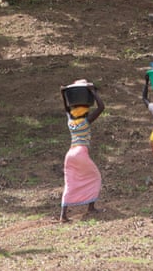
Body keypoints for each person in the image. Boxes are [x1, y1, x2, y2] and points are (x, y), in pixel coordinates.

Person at [60, 82, 105, 222]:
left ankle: (63, 215)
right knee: (95, 177)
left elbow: (67, 108)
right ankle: (91, 207)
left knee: (70, 182)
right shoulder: (86, 122)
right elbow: (101, 107)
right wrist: (93, 92)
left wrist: (63, 93)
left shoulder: (70, 122)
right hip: (81, 152)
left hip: (70, 154)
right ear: (85, 111)